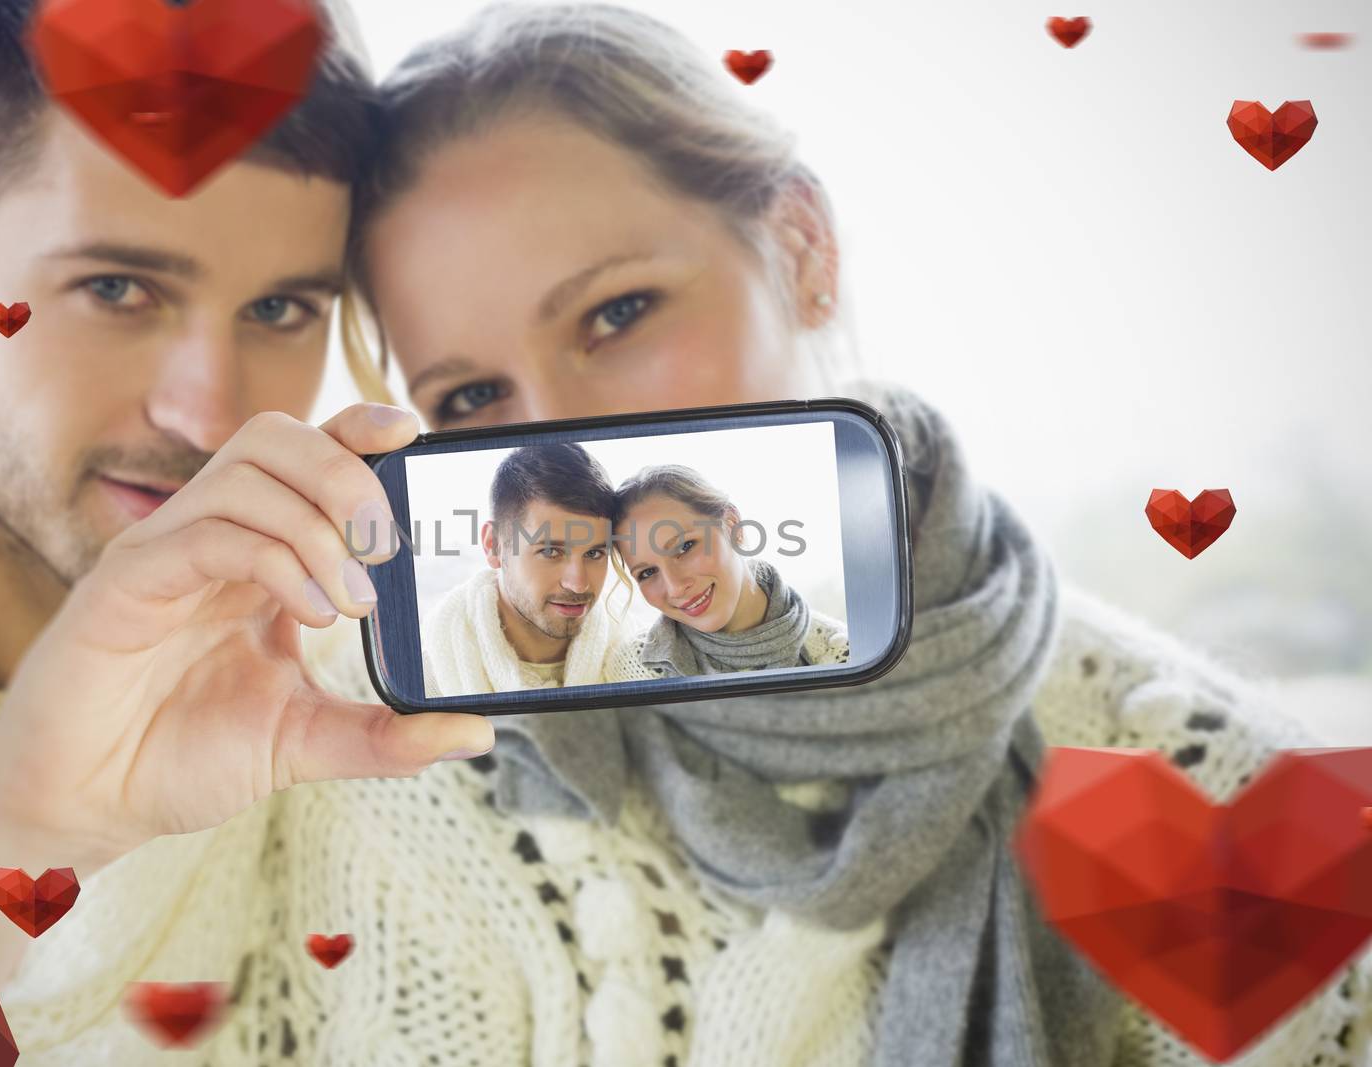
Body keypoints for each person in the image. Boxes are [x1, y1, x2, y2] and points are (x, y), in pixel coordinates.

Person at [329, 3, 1372, 1065]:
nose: (566, 441)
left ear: (800, 246)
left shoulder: (1228, 792)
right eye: (468, 396)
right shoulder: (375, 771)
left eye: (618, 312)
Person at [0, 0, 499, 1059]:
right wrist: (21, 813)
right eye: (116, 287)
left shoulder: (379, 679)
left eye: (280, 310)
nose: (207, 414)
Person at [602, 463, 850, 682]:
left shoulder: (843, 654)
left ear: (732, 526)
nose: (676, 587)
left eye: (685, 547)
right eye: (647, 572)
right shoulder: (634, 669)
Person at [420, 442, 624, 695]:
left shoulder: (635, 660)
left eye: (594, 553)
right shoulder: (424, 681)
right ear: (494, 545)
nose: (578, 583)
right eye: (550, 551)